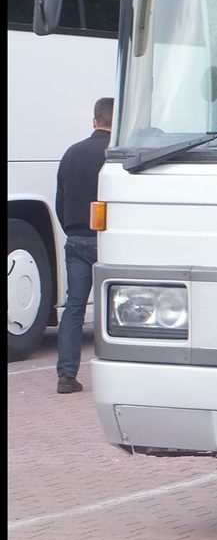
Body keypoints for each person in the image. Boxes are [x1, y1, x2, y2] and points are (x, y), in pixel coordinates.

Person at [54, 96, 112, 394]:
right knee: (115, 309)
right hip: (110, 242)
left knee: (74, 308)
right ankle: (114, 372)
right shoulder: (116, 155)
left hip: (76, 239)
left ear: (94, 121)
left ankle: (66, 375)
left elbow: (60, 202)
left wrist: (72, 230)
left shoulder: (71, 153)